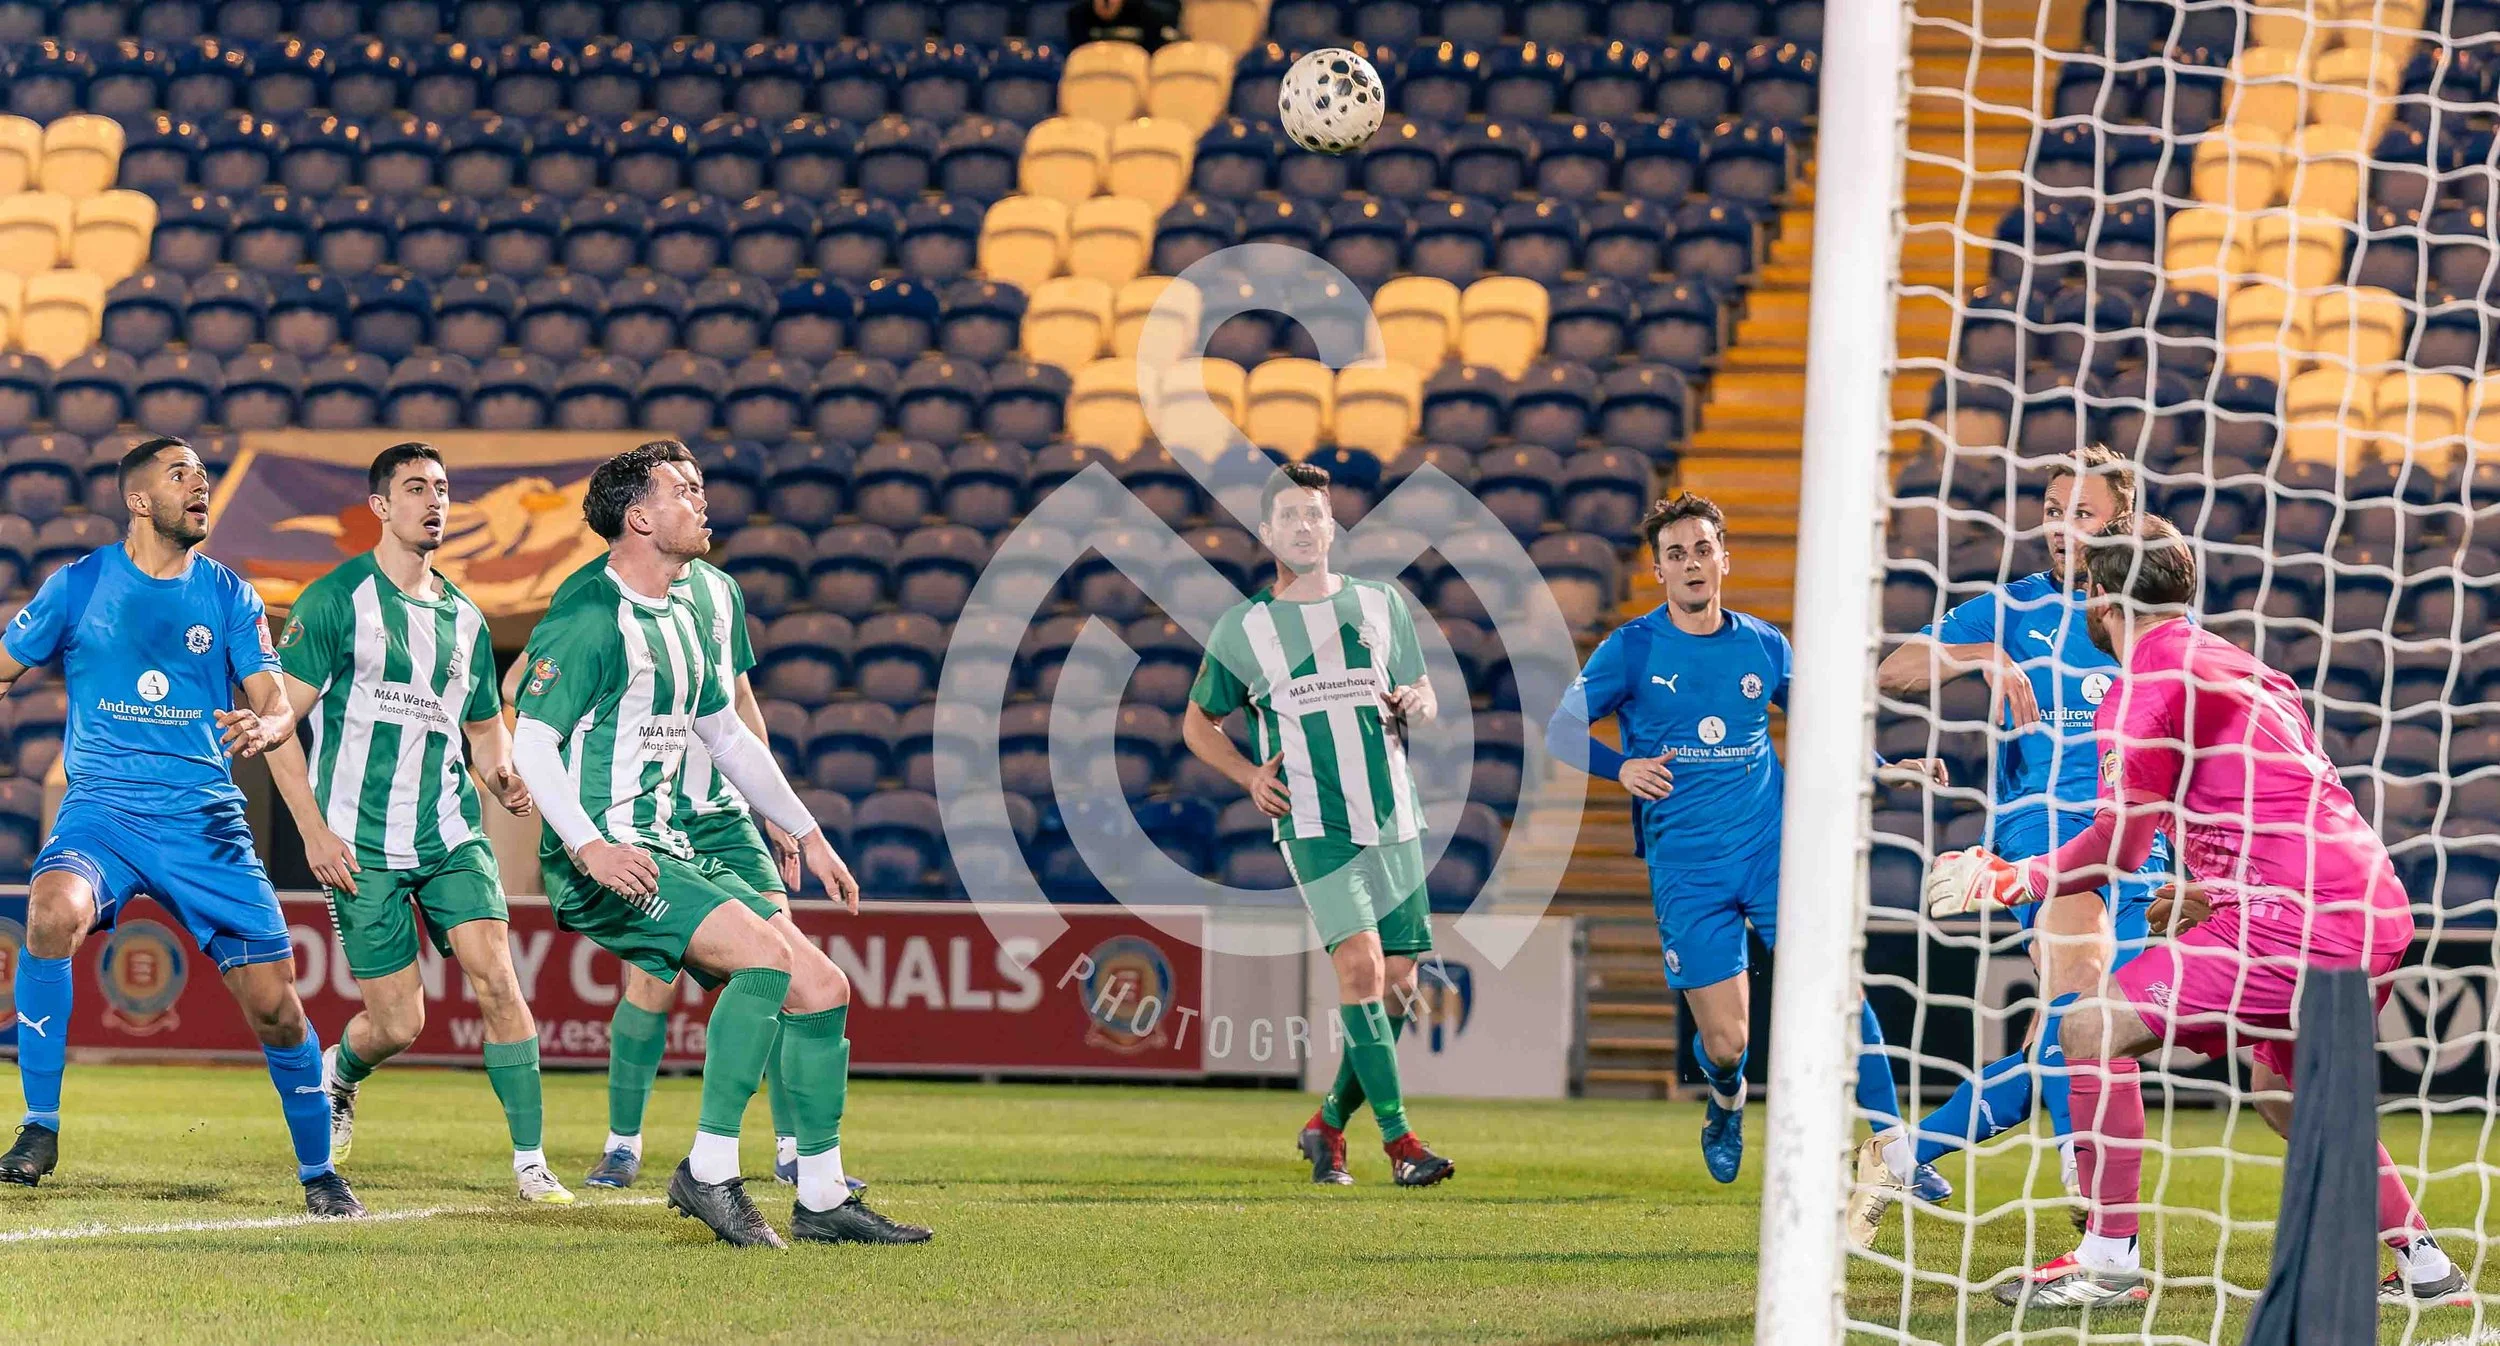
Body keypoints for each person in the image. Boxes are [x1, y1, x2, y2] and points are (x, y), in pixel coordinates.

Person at [1925, 514, 2461, 1308]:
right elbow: (2276, 802)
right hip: (2367, 902)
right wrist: (2214, 890)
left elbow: (2118, 849)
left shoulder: (2145, 687)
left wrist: (2009, 880)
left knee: (2089, 1026)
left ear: (2101, 599)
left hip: (2294, 918)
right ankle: (2424, 1265)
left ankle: (2107, 1259)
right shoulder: (2238, 664)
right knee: (2286, 1095)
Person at [509, 440, 928, 1246]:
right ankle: (705, 1171)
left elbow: (727, 737)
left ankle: (823, 1195)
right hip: (611, 857)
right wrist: (591, 848)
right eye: (683, 490)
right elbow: (531, 743)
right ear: (639, 517)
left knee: (824, 987)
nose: (702, 500)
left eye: (700, 486)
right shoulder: (590, 616)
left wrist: (806, 829)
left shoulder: (694, 607)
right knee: (766, 963)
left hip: (670, 842)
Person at [0, 436, 361, 1217]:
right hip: (103, 811)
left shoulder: (230, 595)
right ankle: (38, 1127)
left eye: (202, 474)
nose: (200, 485)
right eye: (181, 475)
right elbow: (4, 664)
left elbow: (272, 704)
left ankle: (319, 1171)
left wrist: (296, 789)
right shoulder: (80, 585)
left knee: (274, 1005)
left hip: (204, 819)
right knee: (50, 910)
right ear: (139, 500)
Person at [1545, 492, 1937, 1184]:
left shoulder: (1763, 643)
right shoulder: (1630, 649)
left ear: (1724, 558)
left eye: (1703, 549)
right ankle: (1726, 1099)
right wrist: (1622, 766)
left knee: (1842, 991)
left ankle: (1896, 1150)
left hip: (1772, 856)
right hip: (1687, 869)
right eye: (1676, 554)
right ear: (1659, 571)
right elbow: (1559, 729)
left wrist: (1885, 770)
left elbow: (1819, 723)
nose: (1692, 564)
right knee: (1729, 1044)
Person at [1850, 445, 2175, 1240]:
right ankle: (2081, 1159)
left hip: (2139, 839)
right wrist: (1983, 657)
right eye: (2053, 514)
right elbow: (1891, 673)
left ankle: (1896, 1155)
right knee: (2082, 979)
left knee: (2080, 1033)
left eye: (2083, 515)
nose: (2062, 530)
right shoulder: (2011, 606)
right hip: (2046, 832)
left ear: (2120, 525)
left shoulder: (2154, 620)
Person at [263, 442, 570, 1204]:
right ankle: (340, 1074)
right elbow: (278, 728)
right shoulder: (336, 600)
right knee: (399, 1024)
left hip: (449, 833)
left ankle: (532, 1163)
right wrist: (312, 833)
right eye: (415, 489)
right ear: (379, 507)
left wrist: (502, 777)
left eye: (441, 489)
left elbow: (483, 732)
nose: (434, 502)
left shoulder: (466, 618)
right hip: (358, 842)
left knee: (499, 977)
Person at [1181, 461, 1454, 1188]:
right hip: (1313, 822)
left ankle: (1327, 1125)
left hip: (1393, 814)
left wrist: (1418, 703)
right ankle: (1401, 1145)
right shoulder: (1244, 627)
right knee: (1361, 968)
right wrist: (1248, 775)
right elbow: (1198, 722)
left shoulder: (1380, 603)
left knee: (1399, 980)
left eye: (1315, 514)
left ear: (1332, 526)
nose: (1305, 526)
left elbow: (1417, 686)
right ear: (1267, 533)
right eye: (1290, 517)